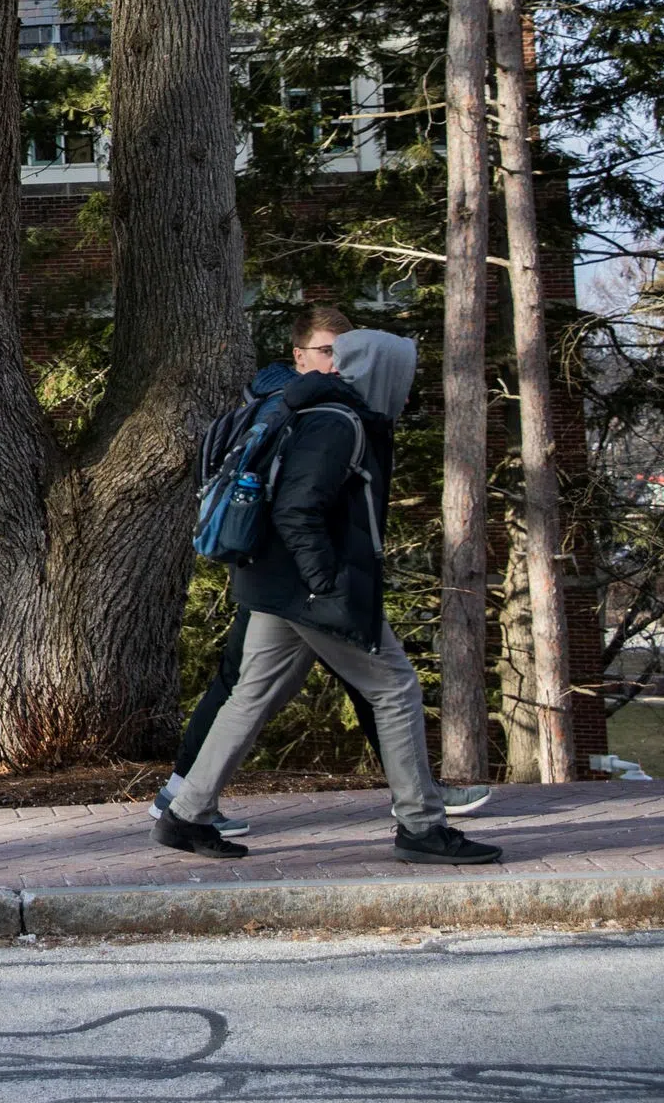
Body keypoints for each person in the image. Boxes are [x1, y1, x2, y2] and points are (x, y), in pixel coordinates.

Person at [158, 328, 503, 865]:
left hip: (275, 583)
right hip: (308, 588)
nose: (409, 388)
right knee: (394, 689)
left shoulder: (323, 414)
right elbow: (297, 509)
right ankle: (421, 826)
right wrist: (328, 586)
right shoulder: (337, 423)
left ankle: (185, 814)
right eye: (403, 376)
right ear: (380, 373)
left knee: (253, 693)